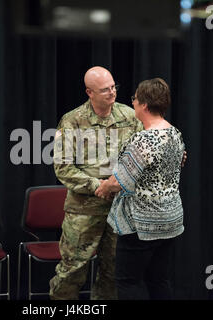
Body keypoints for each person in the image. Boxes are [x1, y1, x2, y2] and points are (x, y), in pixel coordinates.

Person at [49, 66, 143, 300]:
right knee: (72, 271)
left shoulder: (129, 117)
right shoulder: (72, 121)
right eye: (105, 90)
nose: (112, 93)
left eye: (113, 87)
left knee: (112, 272)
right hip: (84, 210)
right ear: (89, 92)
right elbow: (63, 168)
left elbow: (144, 154)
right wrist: (97, 186)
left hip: (119, 209)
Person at [95, 78, 185, 300]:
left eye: (135, 98)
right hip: (170, 220)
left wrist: (104, 187)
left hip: (142, 224)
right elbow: (180, 162)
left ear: (144, 104)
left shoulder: (143, 139)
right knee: (158, 280)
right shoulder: (175, 134)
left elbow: (119, 182)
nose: (132, 102)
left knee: (128, 281)